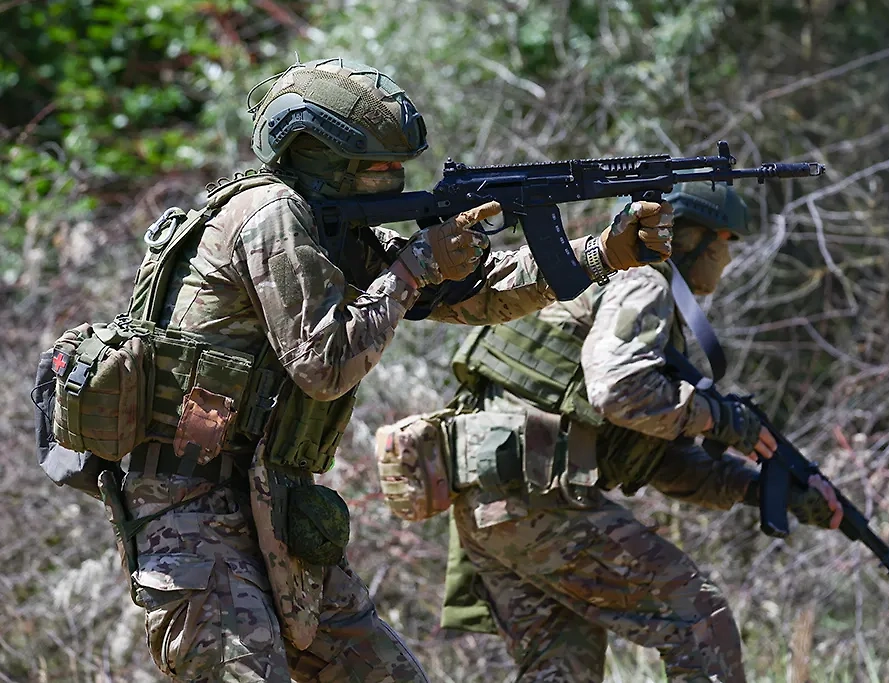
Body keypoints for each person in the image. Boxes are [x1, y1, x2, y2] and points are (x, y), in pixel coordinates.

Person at [103, 58, 672, 682]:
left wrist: (601, 255)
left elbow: (470, 294)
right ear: (318, 152)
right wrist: (412, 272)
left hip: (271, 504)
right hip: (193, 513)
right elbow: (323, 364)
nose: (392, 179)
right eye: (376, 167)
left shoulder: (329, 225)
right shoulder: (271, 216)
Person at [435, 182, 844, 683]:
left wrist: (761, 489)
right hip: (532, 495)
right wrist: (720, 420)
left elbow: (654, 461)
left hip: (492, 494)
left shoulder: (601, 284)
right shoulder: (644, 282)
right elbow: (619, 389)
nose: (728, 257)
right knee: (699, 621)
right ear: (696, 240)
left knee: (563, 662)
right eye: (727, 241)